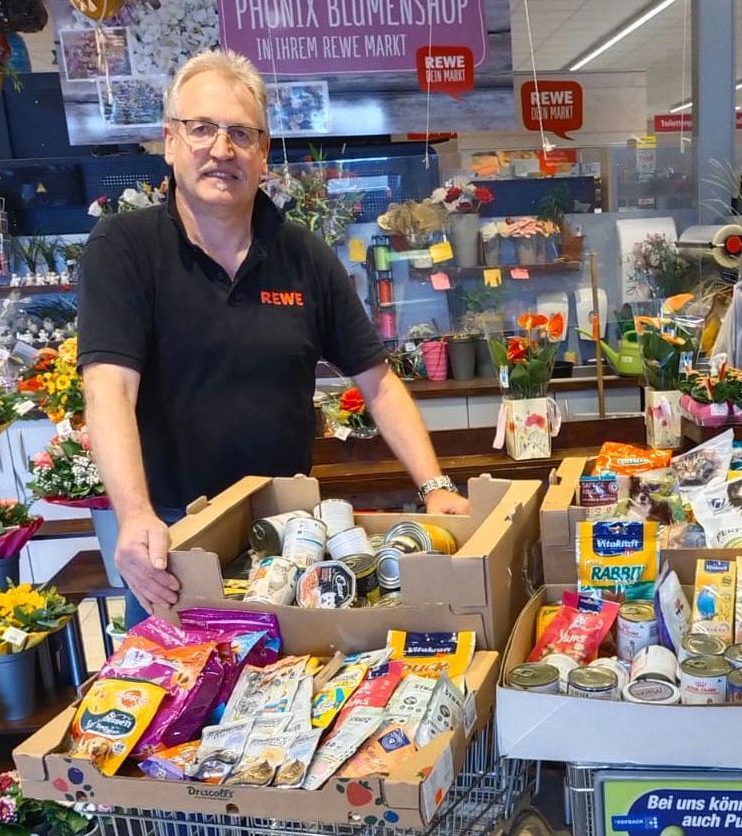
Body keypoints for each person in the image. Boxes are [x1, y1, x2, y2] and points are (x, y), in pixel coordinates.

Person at [77, 49, 469, 624]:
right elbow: (109, 389)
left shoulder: (303, 255)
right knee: (173, 681)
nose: (221, 149)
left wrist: (435, 486)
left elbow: (379, 383)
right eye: (202, 128)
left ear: (262, 153)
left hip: (288, 537)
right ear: (170, 141)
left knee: (292, 676)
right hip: (173, 540)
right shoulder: (125, 248)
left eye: (241, 133)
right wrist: (134, 513)